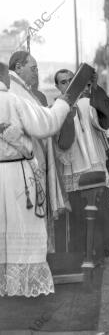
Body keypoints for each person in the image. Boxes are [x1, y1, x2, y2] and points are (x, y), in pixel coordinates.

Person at [0, 62, 71, 297]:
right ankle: (22, 285)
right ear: (4, 78)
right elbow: (46, 125)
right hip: (17, 173)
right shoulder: (13, 100)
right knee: (23, 227)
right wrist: (62, 103)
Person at [9, 51, 70, 252]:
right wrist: (62, 104)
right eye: (33, 68)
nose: (36, 73)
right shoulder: (17, 92)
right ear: (18, 67)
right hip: (24, 170)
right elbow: (44, 126)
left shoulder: (19, 89)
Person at [54, 68, 109, 255]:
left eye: (71, 80)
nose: (68, 84)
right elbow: (61, 143)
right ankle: (81, 251)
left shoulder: (88, 102)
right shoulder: (56, 108)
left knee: (100, 208)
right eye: (63, 82)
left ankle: (103, 248)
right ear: (57, 87)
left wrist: (96, 88)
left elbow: (104, 121)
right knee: (79, 214)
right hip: (74, 168)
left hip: (94, 163)